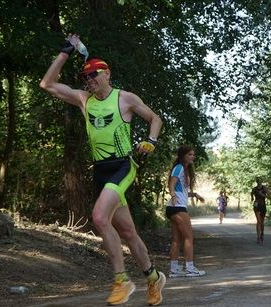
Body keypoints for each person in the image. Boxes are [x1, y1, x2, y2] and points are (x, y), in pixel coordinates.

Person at [40, 34, 165, 306]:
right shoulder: (85, 100)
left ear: (107, 73)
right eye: (86, 77)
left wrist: (150, 142)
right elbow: (47, 84)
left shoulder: (125, 99)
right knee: (129, 233)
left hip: (123, 165)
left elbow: (155, 119)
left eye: (94, 75)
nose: (89, 80)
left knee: (98, 217)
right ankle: (154, 277)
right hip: (100, 171)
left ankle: (122, 280)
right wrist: (66, 51)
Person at [166, 145, 206, 278]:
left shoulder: (185, 169)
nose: (192, 157)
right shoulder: (179, 168)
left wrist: (195, 195)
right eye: (190, 154)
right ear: (183, 155)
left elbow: (181, 191)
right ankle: (190, 268)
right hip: (177, 207)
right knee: (189, 237)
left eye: (193, 155)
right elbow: (171, 184)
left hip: (175, 207)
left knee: (176, 239)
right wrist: (172, 196)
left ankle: (174, 270)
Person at [251, 177, 269, 244]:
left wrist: (263, 195)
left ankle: (262, 233)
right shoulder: (254, 189)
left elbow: (269, 197)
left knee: (262, 222)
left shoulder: (264, 188)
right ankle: (258, 237)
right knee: (258, 221)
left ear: (262, 181)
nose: (259, 182)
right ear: (256, 181)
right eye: (258, 181)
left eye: (260, 180)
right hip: (256, 206)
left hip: (263, 206)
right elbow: (251, 194)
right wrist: (252, 198)